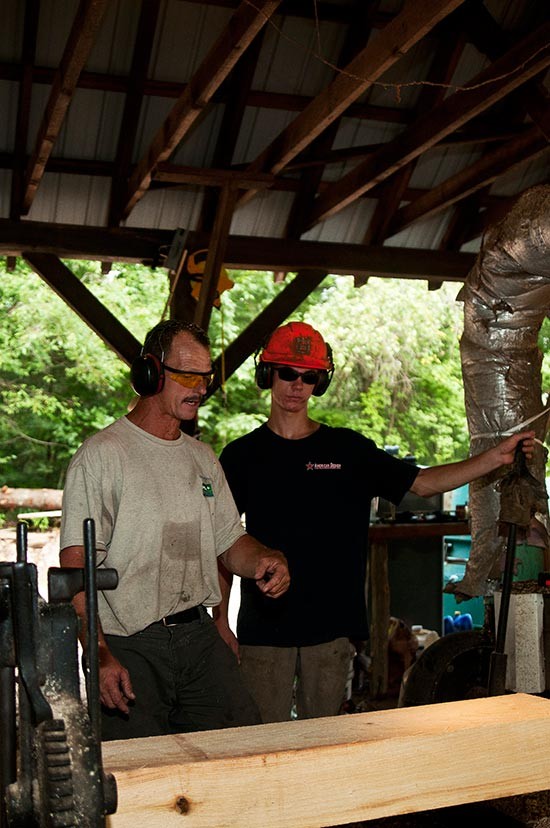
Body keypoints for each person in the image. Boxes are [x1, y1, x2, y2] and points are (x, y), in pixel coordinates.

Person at [214, 321, 535, 723]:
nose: (297, 385)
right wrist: (221, 622)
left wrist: (493, 458)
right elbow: (221, 543)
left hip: (330, 632)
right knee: (259, 743)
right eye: (287, 373)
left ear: (320, 382)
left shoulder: (347, 450)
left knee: (325, 744)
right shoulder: (242, 456)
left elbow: (422, 481)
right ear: (267, 374)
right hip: (262, 632)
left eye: (309, 376)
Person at [59, 319, 290, 741]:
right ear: (150, 372)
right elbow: (76, 567)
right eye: (187, 375)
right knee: (138, 775)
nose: (200, 388)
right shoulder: (102, 456)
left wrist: (264, 559)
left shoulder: (203, 459)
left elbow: (229, 542)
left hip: (198, 636)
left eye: (204, 377)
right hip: (129, 642)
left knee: (242, 748)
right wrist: (99, 653)